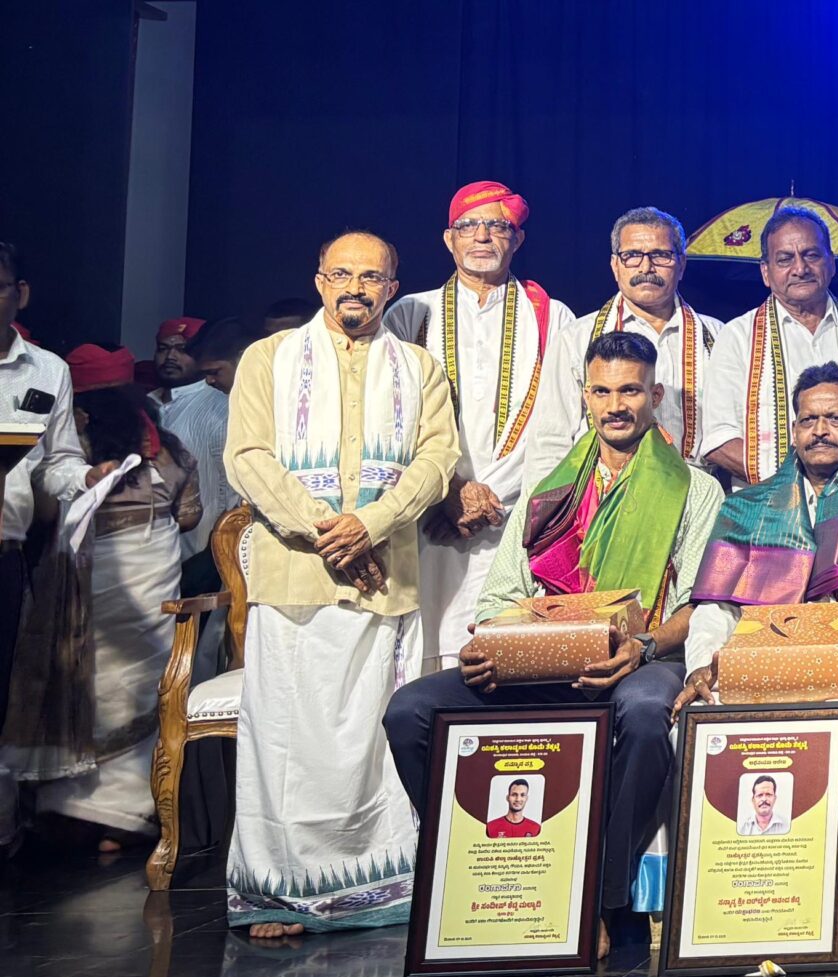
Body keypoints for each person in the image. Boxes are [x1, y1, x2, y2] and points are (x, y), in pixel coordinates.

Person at [382, 331, 725, 953]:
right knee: (409, 711)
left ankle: (600, 898)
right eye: (602, 391)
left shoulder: (694, 488)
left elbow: (696, 605)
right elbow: (501, 595)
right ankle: (474, 872)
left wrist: (642, 647)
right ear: (585, 396)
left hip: (639, 659)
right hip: (540, 661)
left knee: (647, 713)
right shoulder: (551, 488)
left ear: (654, 396)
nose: (615, 405)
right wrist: (490, 648)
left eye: (630, 391)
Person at [225, 231, 460, 937]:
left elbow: (437, 461)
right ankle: (281, 892)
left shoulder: (418, 367)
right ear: (320, 280)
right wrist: (328, 530)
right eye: (342, 274)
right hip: (294, 580)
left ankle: (378, 883)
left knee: (368, 738)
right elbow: (248, 457)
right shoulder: (268, 358)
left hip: (385, 581)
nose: (356, 287)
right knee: (287, 739)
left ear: (393, 288)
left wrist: (373, 523)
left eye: (372, 277)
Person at [676, 361, 838, 963]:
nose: (820, 430)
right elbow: (714, 607)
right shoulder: (750, 506)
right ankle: (736, 919)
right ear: (793, 428)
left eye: (835, 419)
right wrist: (703, 665)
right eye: (809, 419)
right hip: (763, 672)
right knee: (694, 724)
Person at [383, 181, 583, 669]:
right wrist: (448, 490)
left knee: (504, 653)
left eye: (498, 225)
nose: (482, 236)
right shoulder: (411, 313)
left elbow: (563, 424)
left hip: (514, 515)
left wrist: (494, 496)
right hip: (430, 515)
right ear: (448, 239)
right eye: (469, 225)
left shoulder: (553, 316)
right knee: (424, 659)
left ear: (518, 239)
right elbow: (390, 416)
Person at [2, 375, 199, 851]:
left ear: (84, 414)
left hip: (89, 585)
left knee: (85, 684)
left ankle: (71, 811)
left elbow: (45, 515)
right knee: (142, 690)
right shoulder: (169, 452)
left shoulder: (78, 459)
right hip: (153, 586)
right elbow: (190, 516)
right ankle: (127, 816)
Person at [528, 208, 738, 480]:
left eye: (661, 255)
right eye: (632, 255)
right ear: (615, 265)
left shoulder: (718, 336)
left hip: (696, 489)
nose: (646, 267)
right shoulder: (576, 338)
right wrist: (546, 504)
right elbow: (549, 441)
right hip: (604, 492)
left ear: (682, 264)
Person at [706, 203, 838, 484]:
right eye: (785, 259)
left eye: (811, 255)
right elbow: (719, 440)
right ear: (765, 272)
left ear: (832, 263)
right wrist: (797, 489)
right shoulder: (737, 336)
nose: (800, 268)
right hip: (770, 500)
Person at [0, 242, 81, 774]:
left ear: (20, 293)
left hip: (6, 555)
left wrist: (87, 478)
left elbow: (57, 462)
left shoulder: (47, 371)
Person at [162, 317, 254, 579]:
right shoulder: (222, 403)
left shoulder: (251, 407)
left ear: (243, 358)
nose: (210, 381)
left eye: (215, 371)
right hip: (208, 550)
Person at [146, 317, 205, 406]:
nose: (170, 356)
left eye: (182, 350)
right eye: (163, 349)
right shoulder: (146, 402)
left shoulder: (216, 404)